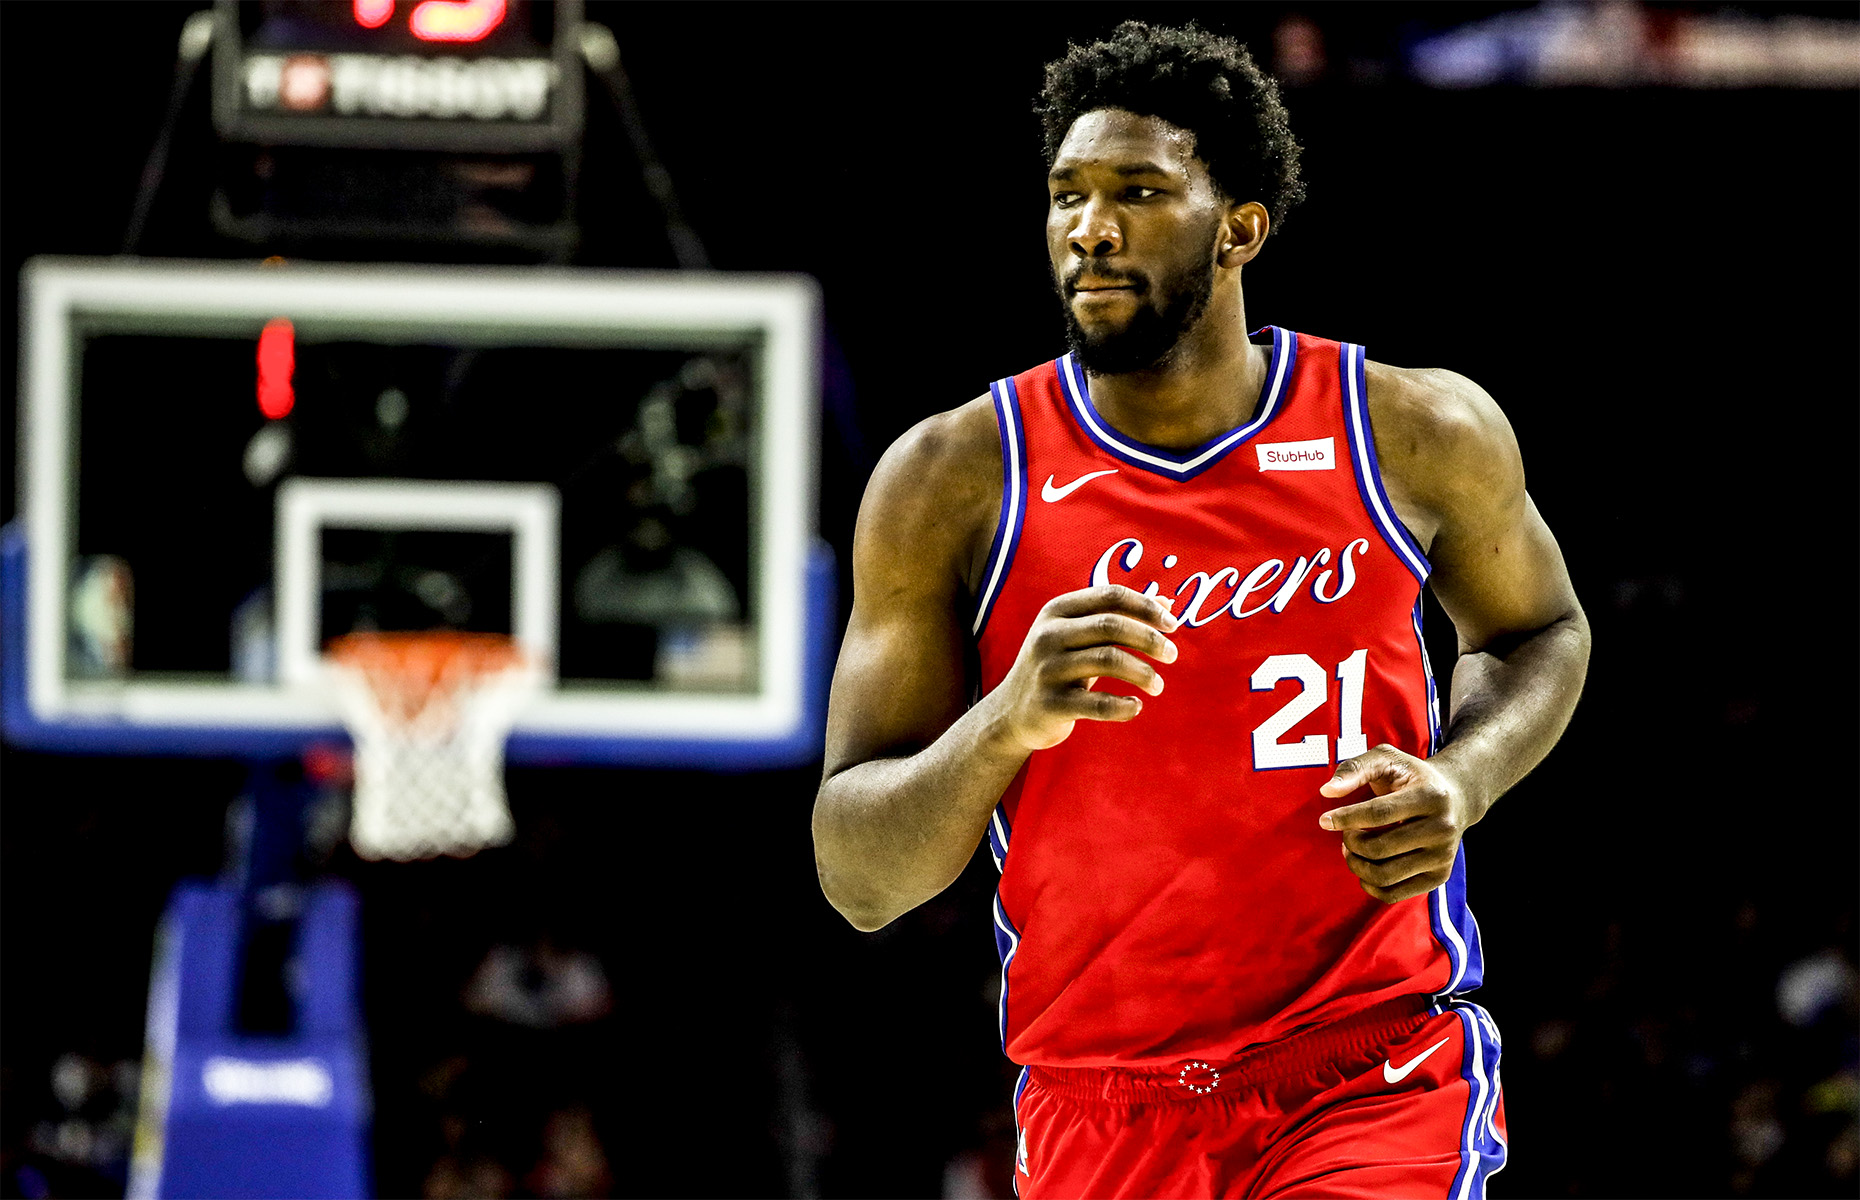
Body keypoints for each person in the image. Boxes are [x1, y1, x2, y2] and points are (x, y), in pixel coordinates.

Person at [812, 21, 1590, 1200]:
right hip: (1099, 1101)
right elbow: (861, 879)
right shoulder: (952, 479)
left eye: (1138, 191)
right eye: (1068, 194)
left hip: (1369, 1065)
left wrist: (1464, 779)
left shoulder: (1411, 430)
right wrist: (1004, 720)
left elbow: (1542, 631)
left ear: (1240, 229)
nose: (1091, 227)